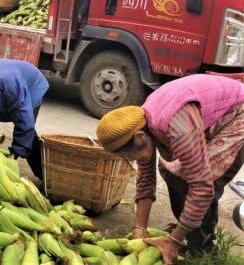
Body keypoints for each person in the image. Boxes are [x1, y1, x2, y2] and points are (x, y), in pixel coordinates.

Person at [95, 74, 244, 263]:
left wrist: (174, 240)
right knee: (171, 171)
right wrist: (139, 227)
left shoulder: (179, 130)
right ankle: (188, 229)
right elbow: (146, 177)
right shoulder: (141, 124)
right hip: (198, 110)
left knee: (199, 180)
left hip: (237, 112)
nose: (129, 160)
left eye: (127, 155)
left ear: (140, 137)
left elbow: (203, 187)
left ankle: (203, 248)